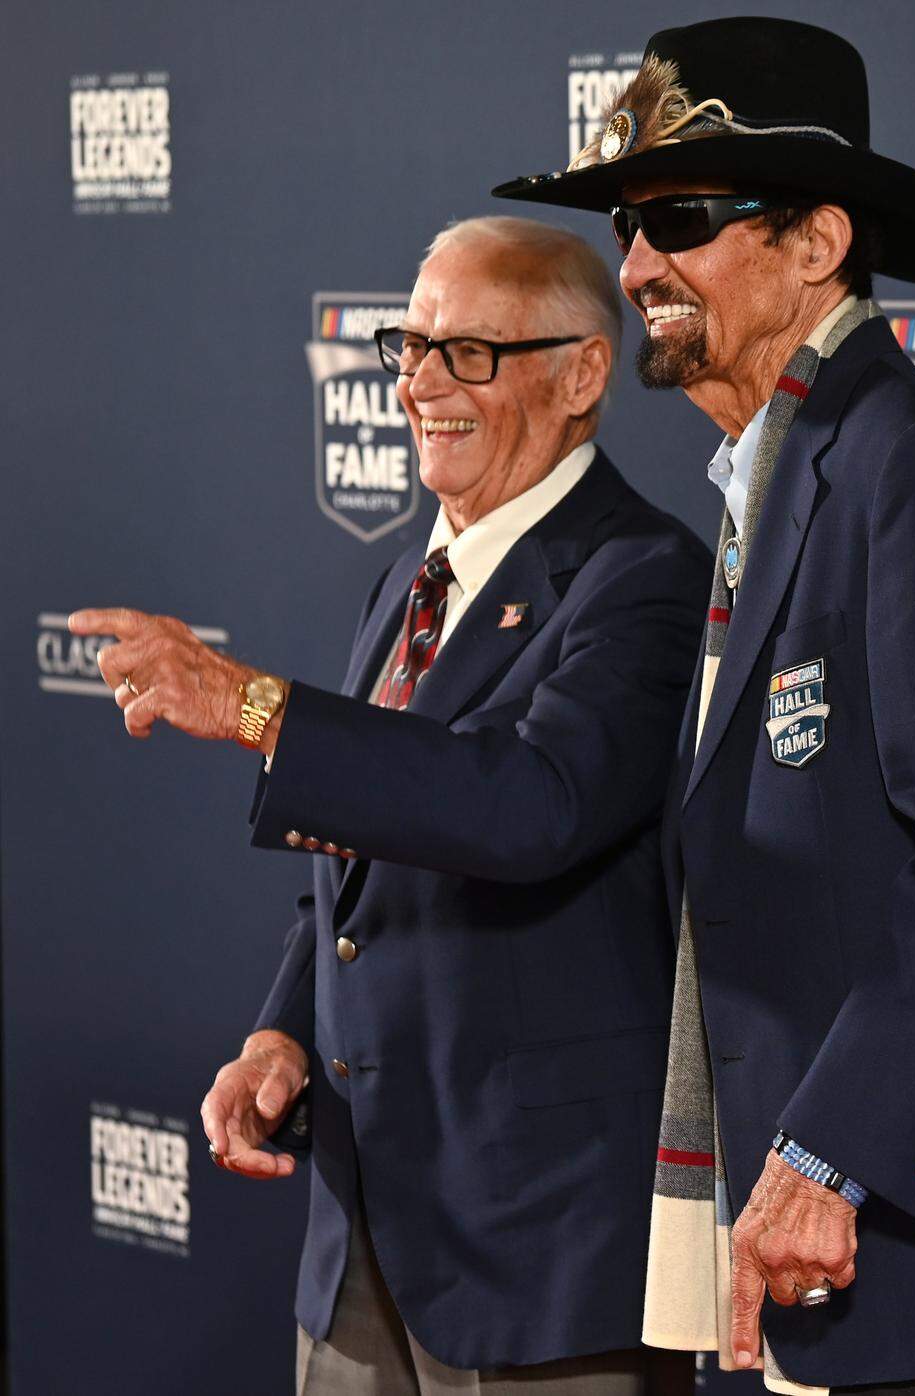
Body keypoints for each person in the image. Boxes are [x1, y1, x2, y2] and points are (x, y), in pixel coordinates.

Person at [493, 17, 915, 1396]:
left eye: (682, 219)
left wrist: (830, 1150)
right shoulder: (779, 465)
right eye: (627, 225)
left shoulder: (906, 459)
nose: (636, 266)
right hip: (811, 1224)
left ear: (817, 243)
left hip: (904, 1230)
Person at [70, 215, 709, 1395]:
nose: (418, 384)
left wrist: (255, 705)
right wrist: (281, 1032)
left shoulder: (647, 577)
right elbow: (363, 860)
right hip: (361, 1225)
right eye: (409, 346)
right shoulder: (410, 582)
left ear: (582, 374)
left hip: (538, 1249)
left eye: (469, 352)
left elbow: (529, 805)